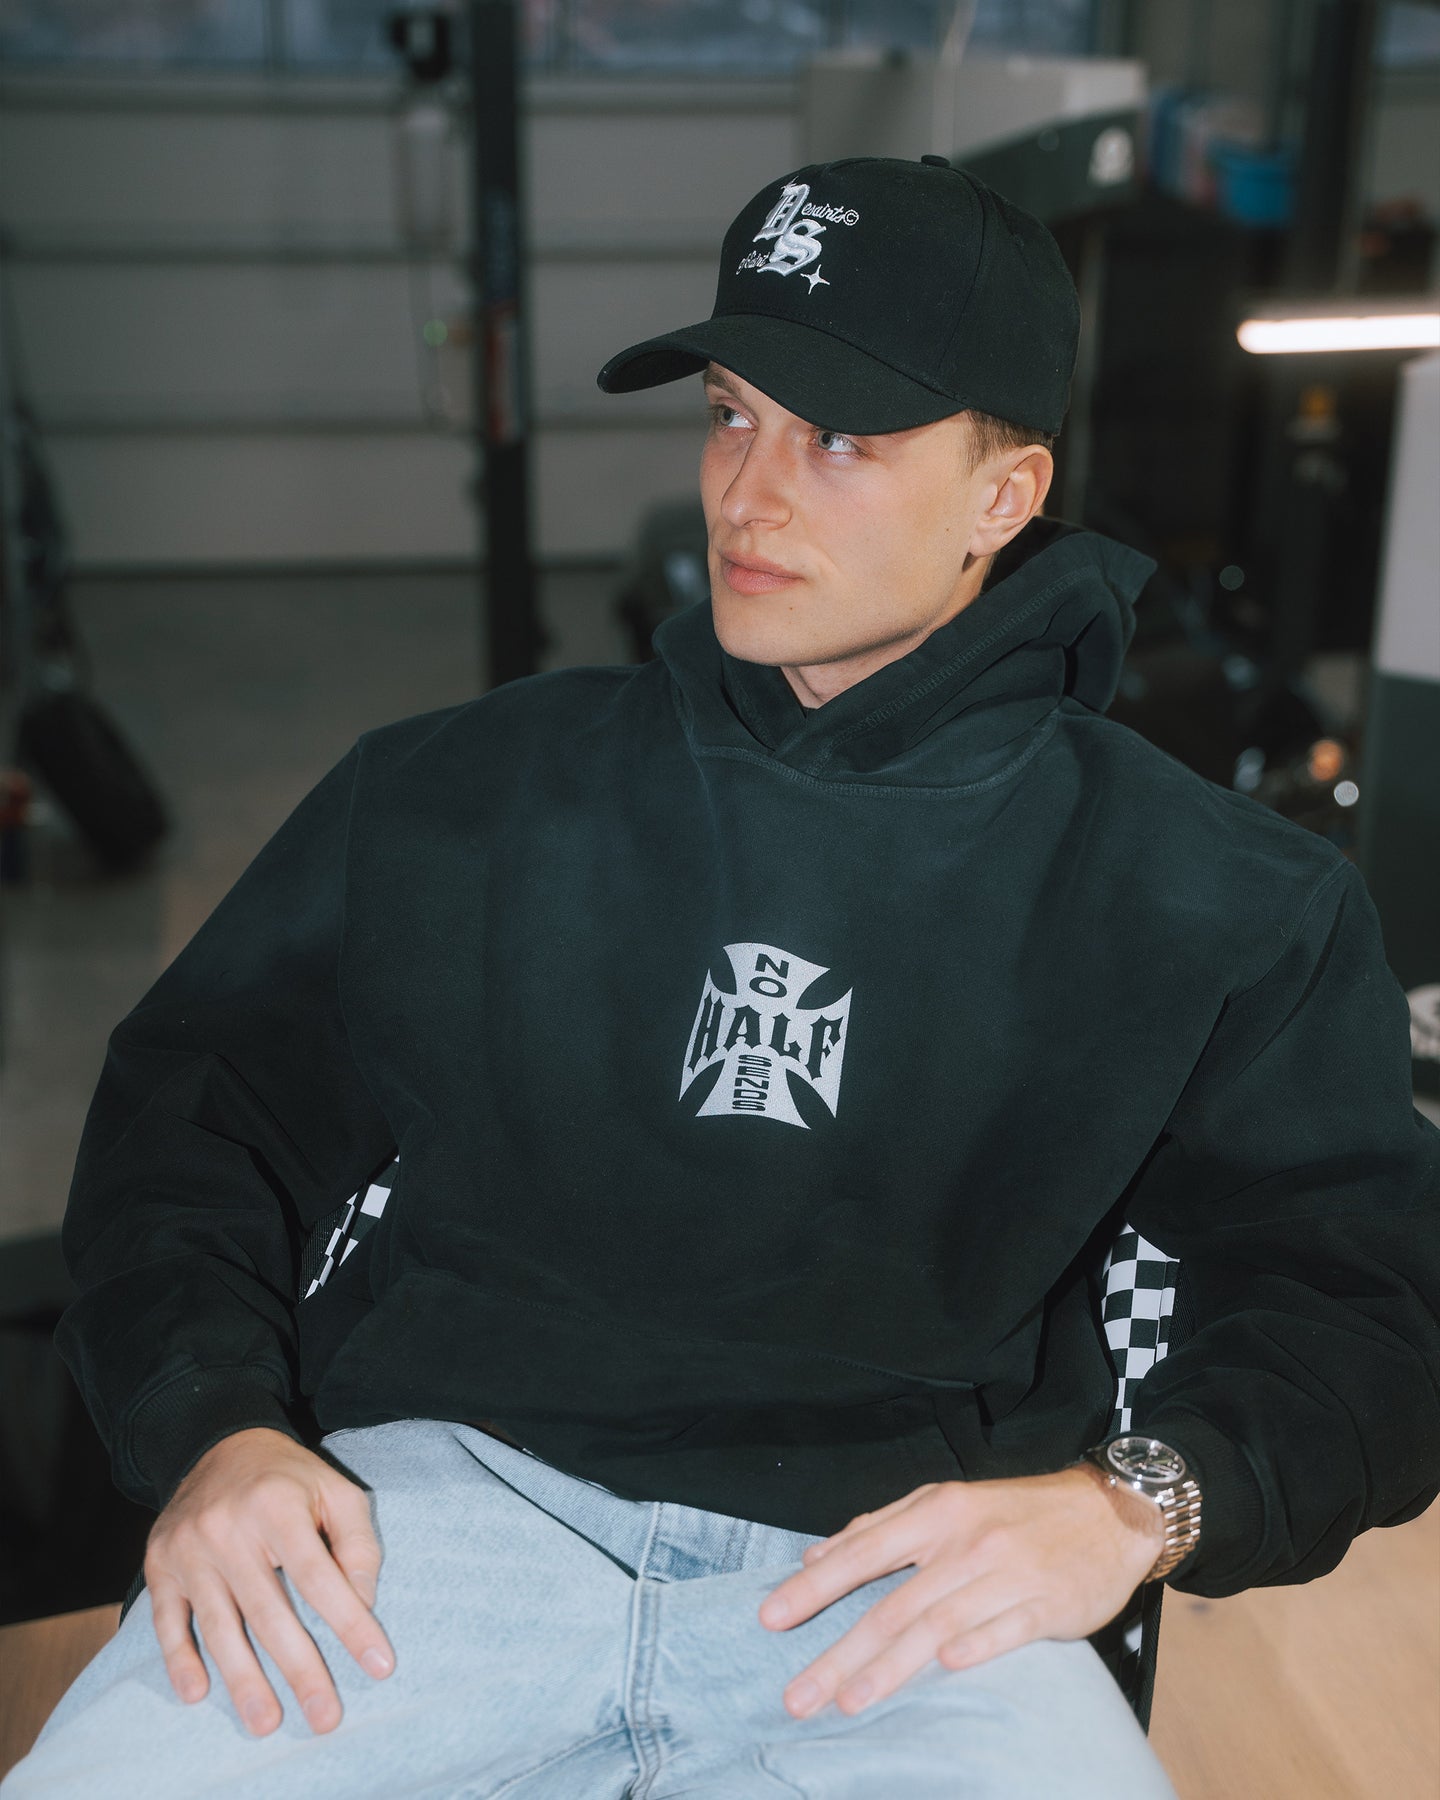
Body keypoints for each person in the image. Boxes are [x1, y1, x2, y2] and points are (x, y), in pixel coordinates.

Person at [6, 157, 1438, 1799]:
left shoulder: (1218, 902)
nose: (749, 495)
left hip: (904, 1586)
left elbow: (1370, 1308)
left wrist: (1134, 1505)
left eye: (841, 441)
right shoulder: (455, 797)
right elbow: (191, 1130)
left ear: (1005, 495)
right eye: (731, 416)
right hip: (428, 1532)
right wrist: (214, 1432)